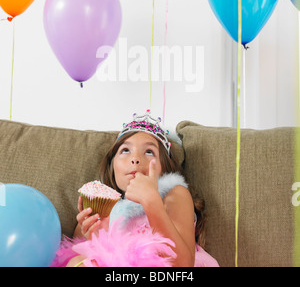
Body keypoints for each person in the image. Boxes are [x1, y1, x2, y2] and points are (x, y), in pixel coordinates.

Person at [51, 111, 219, 268]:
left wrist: (152, 202)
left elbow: (182, 265)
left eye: (149, 152)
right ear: (112, 165)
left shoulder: (174, 193)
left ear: (163, 167)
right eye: (125, 150)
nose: (135, 159)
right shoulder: (106, 210)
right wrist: (89, 235)